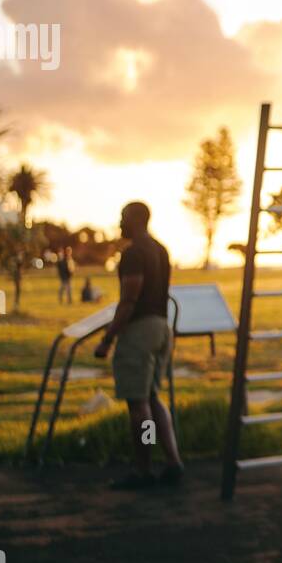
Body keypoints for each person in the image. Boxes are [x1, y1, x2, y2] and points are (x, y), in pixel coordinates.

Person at [93, 202, 183, 489]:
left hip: (140, 331)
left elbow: (130, 300)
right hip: (162, 328)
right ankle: (172, 462)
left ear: (135, 220)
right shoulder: (160, 249)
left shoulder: (133, 253)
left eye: (122, 217)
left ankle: (143, 469)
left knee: (139, 404)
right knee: (153, 397)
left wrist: (108, 338)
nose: (119, 222)